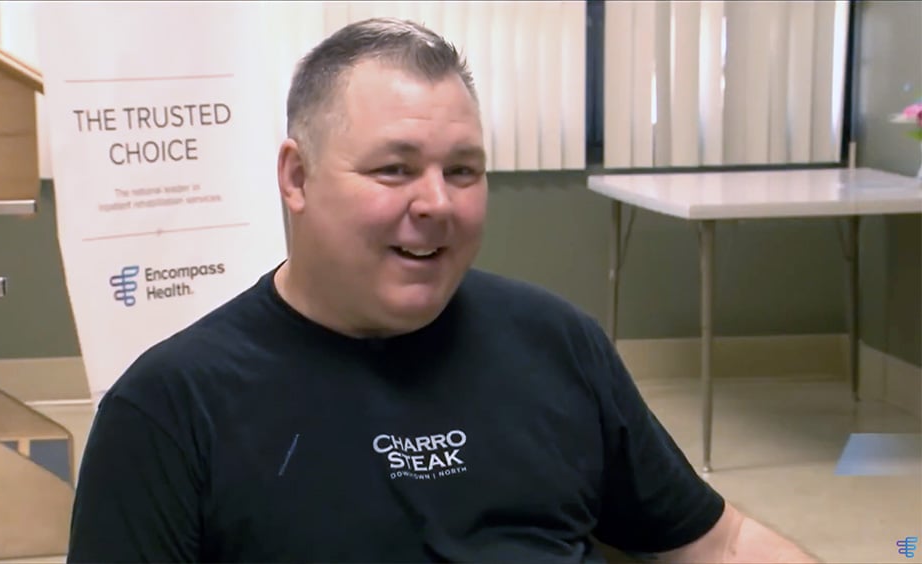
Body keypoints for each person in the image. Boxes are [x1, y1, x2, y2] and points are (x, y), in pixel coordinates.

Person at [67, 17, 819, 564]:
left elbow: (717, 541)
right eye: (394, 169)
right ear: (297, 177)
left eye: (462, 171)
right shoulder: (170, 410)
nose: (438, 203)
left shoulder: (555, 341)